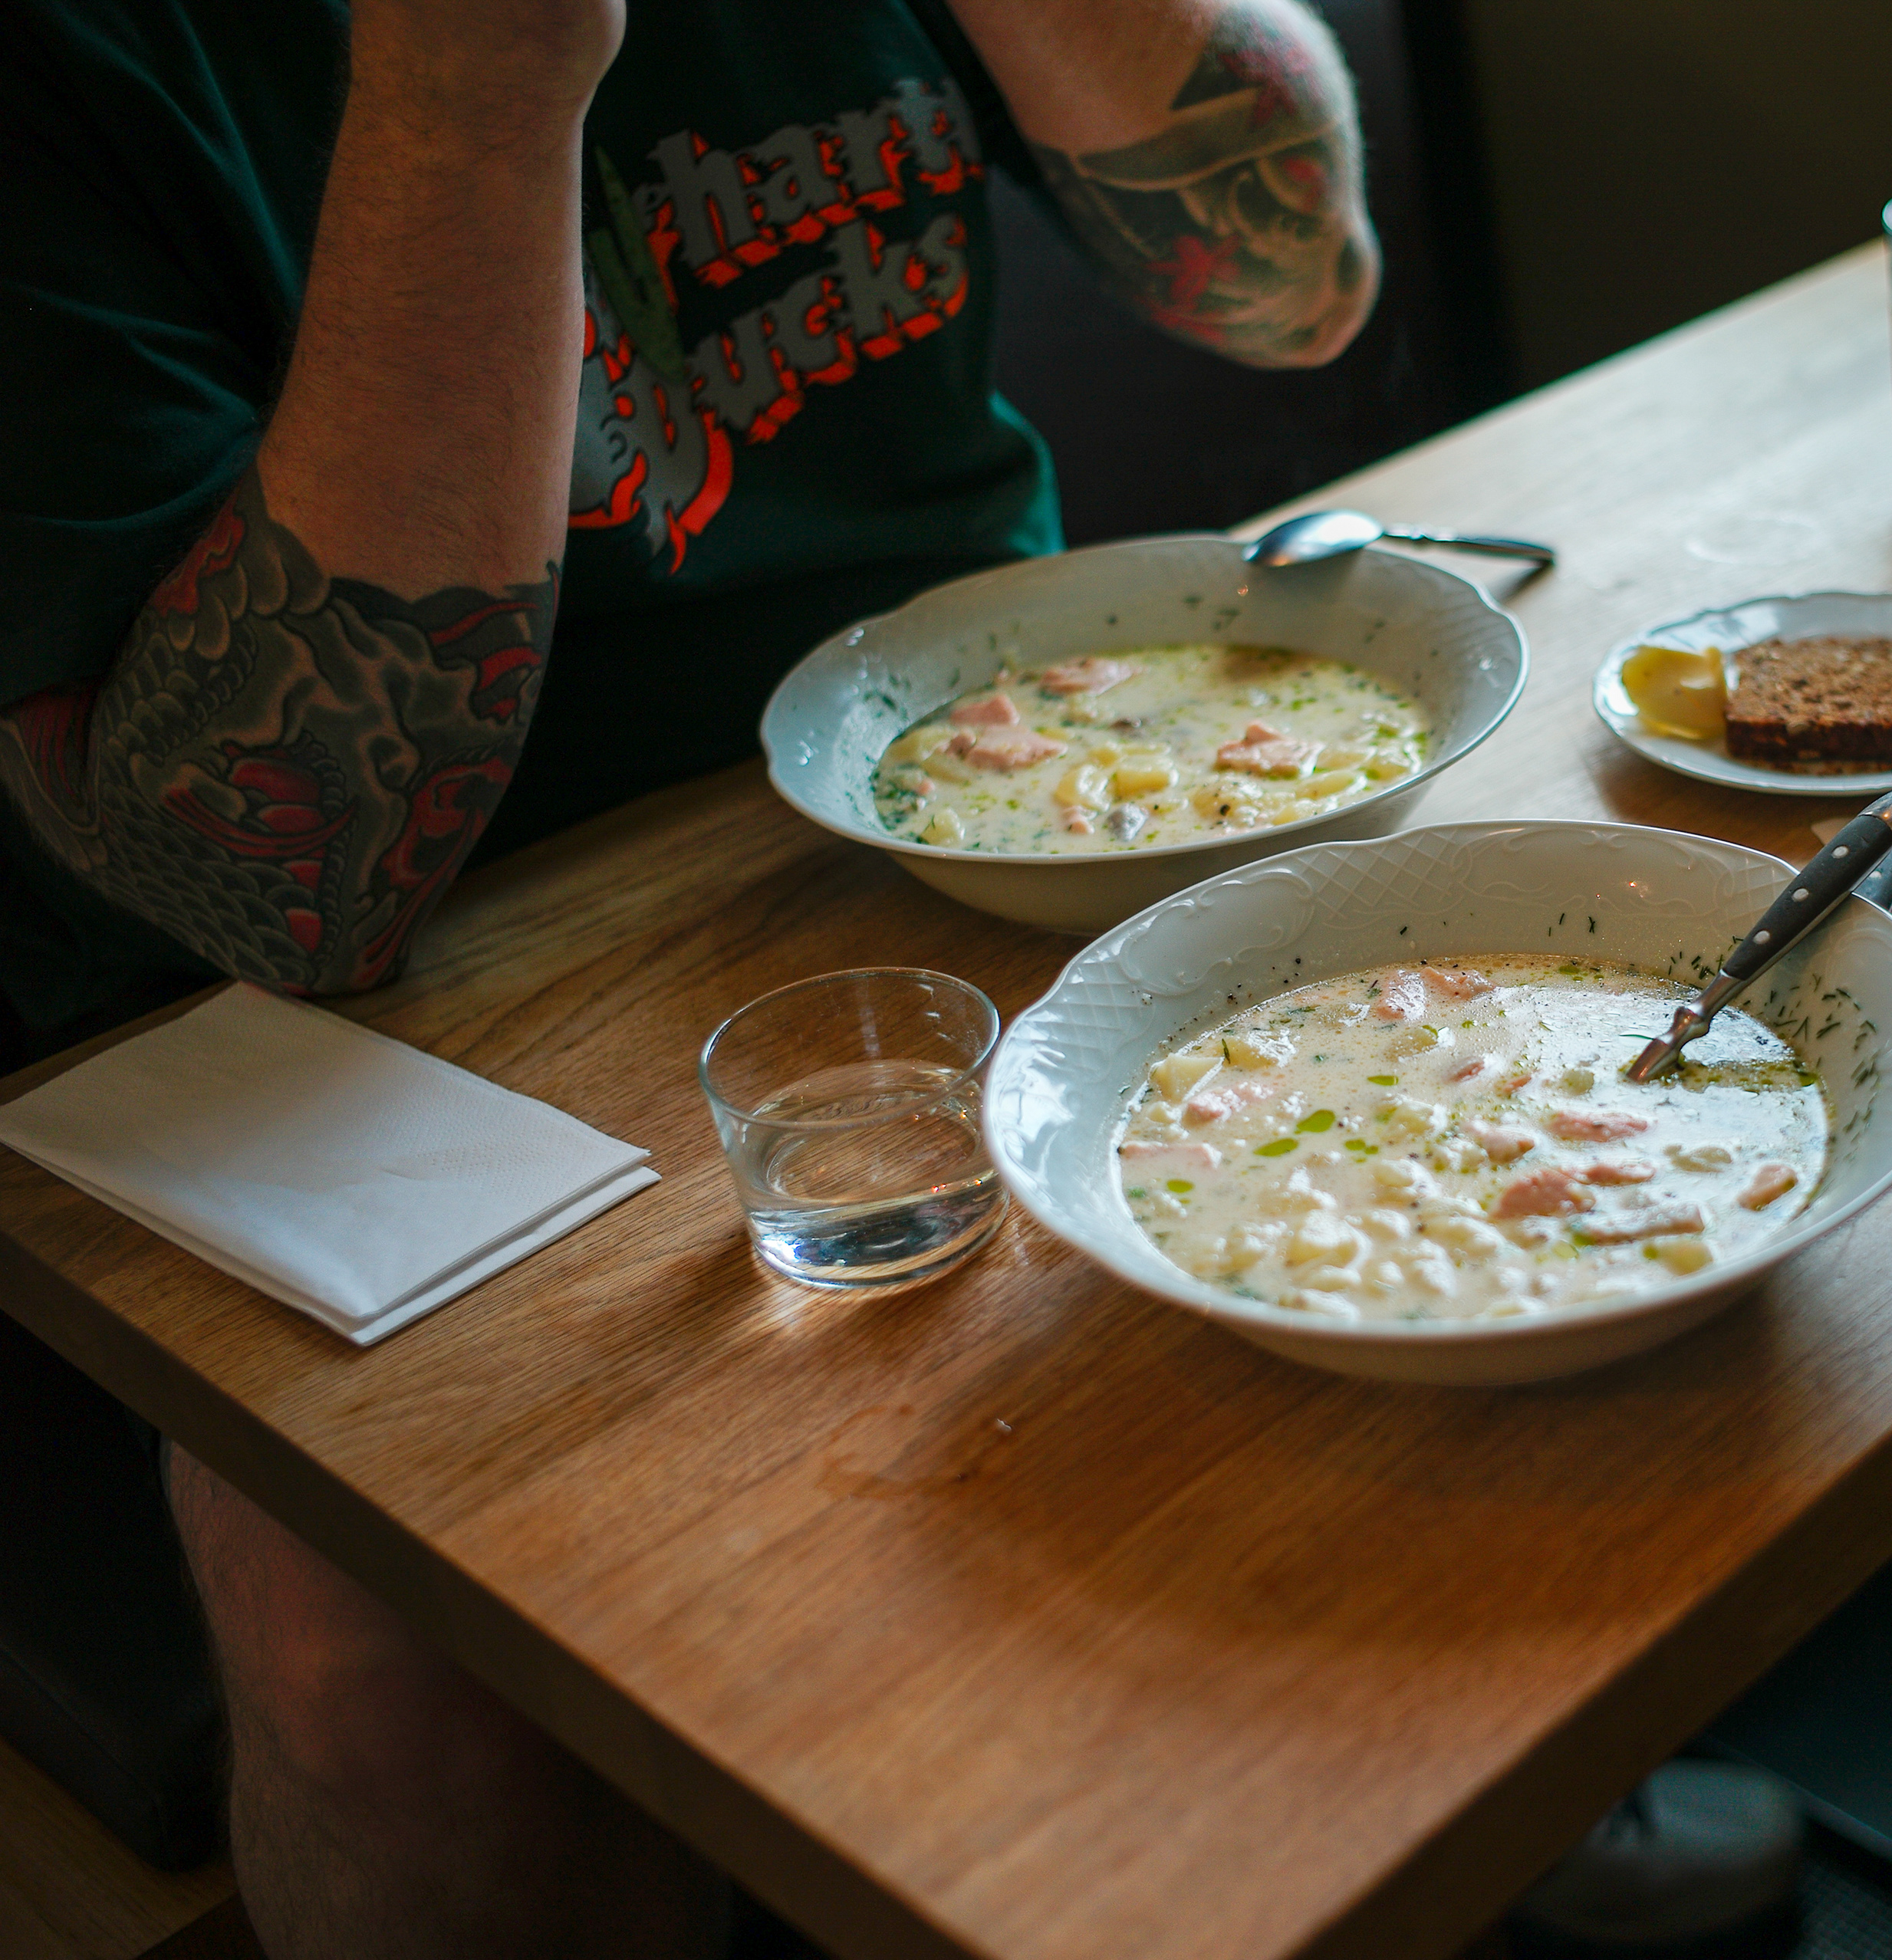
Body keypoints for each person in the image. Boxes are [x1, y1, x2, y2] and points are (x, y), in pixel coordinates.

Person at [0, 0, 1374, 1951]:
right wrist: (478, 92)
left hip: (984, 790)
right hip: (365, 995)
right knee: (385, 1688)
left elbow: (1296, 283)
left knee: (1376, 1196)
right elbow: (270, 894)